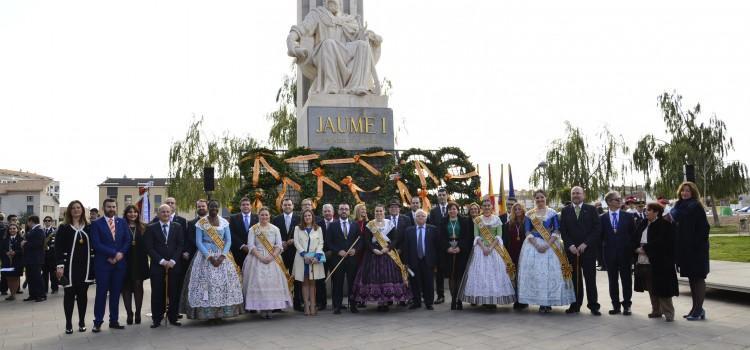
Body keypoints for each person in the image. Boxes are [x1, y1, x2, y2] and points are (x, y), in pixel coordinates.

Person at [287, 0, 383, 96]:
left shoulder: (349, 19)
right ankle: (331, 86)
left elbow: (359, 36)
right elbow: (302, 29)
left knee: (363, 46)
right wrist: (291, 41)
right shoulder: (318, 14)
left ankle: (356, 87)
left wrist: (372, 37)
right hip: (323, 53)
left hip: (344, 51)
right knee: (329, 43)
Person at [182, 200, 244, 321]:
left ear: (218, 207)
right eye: (211, 206)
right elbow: (199, 242)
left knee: (223, 284)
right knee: (206, 284)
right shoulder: (201, 222)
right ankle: (208, 314)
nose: (214, 208)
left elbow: (228, 241)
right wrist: (209, 257)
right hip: (205, 256)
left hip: (222, 256)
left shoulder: (224, 222)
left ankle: (221, 313)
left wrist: (222, 256)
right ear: (208, 207)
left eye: (216, 206)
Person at [517, 190, 576, 313]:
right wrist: (537, 245)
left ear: (546, 198)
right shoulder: (529, 214)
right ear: (534, 199)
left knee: (550, 274)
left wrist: (547, 245)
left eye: (541, 197)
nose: (539, 200)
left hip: (551, 246)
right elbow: (527, 231)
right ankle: (540, 301)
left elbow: (556, 230)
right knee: (536, 274)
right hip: (533, 246)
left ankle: (548, 302)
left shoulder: (552, 213)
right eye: (537, 198)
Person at [352, 204, 412, 311]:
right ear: (374, 212)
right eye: (377, 211)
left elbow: (394, 239)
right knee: (376, 278)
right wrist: (373, 249)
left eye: (380, 211)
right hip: (373, 254)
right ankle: (380, 302)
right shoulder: (370, 224)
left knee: (388, 277)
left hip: (388, 253)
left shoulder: (390, 223)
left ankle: (387, 301)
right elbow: (366, 240)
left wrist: (388, 248)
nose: (379, 213)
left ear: (384, 212)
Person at [458, 199, 516, 308]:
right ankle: (482, 299)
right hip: (481, 249)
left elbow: (499, 236)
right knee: (480, 274)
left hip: (494, 250)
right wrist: (484, 247)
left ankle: (492, 300)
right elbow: (477, 236)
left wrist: (490, 248)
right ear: (482, 207)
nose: (487, 207)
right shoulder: (478, 220)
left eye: (488, 205)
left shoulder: (497, 219)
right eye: (484, 206)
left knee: (494, 275)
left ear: (491, 207)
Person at [669, 181, 710, 321]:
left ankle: (698, 310)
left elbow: (704, 229)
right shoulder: (678, 206)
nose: (684, 193)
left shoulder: (695, 206)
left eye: (688, 191)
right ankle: (696, 308)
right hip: (685, 250)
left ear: (693, 193)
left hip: (697, 250)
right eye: (683, 190)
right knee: (692, 279)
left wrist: (695, 245)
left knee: (698, 278)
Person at [243, 207, 293, 318]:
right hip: (257, 258)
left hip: (273, 258)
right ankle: (261, 308)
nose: (264, 217)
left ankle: (270, 309)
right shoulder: (253, 229)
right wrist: (261, 257)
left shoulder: (275, 229)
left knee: (272, 283)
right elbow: (250, 245)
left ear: (270, 216)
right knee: (259, 283)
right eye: (262, 215)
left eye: (266, 215)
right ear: (258, 216)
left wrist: (272, 257)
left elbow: (279, 245)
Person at [90, 199, 132, 332]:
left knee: (115, 294)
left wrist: (120, 254)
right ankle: (98, 322)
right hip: (103, 264)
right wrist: (113, 254)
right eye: (109, 207)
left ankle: (114, 320)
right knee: (101, 294)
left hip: (119, 265)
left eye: (114, 206)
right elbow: (96, 244)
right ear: (103, 208)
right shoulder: (96, 224)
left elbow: (127, 240)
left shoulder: (122, 222)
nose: (112, 209)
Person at [559, 186, 602, 315]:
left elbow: (597, 229)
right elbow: (563, 230)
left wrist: (586, 243)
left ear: (583, 195)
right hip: (572, 252)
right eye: (573, 193)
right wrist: (570, 245)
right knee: (574, 280)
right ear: (571, 196)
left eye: (578, 193)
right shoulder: (565, 210)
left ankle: (593, 305)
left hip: (588, 250)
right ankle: (575, 305)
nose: (576, 195)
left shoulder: (591, 209)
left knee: (590, 279)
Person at [55, 200, 95, 334]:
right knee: (69, 295)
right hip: (69, 267)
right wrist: (59, 266)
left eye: (78, 207)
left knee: (83, 295)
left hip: (86, 267)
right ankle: (68, 323)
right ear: (69, 211)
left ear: (82, 210)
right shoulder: (64, 227)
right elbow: (58, 248)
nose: (76, 210)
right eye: (73, 208)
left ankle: (82, 321)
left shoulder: (89, 227)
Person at [638, 202, 679, 322]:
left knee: (663, 288)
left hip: (662, 261)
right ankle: (656, 310)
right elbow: (636, 236)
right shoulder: (644, 223)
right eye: (646, 210)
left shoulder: (664, 225)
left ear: (656, 212)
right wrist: (635, 247)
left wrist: (645, 248)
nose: (646, 212)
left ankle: (669, 313)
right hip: (645, 260)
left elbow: (662, 242)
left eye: (649, 210)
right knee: (651, 287)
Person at [144, 204, 184, 328]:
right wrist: (162, 261)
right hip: (157, 266)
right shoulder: (151, 228)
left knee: (173, 292)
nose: (166, 214)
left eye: (168, 212)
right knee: (157, 292)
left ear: (171, 212)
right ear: (158, 213)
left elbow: (180, 245)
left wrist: (173, 261)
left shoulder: (177, 227)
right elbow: (149, 248)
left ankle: (173, 317)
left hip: (174, 265)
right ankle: (157, 318)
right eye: (163, 212)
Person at [600, 191, 636, 315]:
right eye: (617, 199)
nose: (620, 201)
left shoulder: (628, 217)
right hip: (609, 254)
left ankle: (627, 305)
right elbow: (600, 237)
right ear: (609, 202)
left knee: (626, 280)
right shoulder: (602, 218)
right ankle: (615, 305)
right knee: (612, 280)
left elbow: (633, 235)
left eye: (620, 199)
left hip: (625, 254)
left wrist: (630, 249)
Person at [327, 203, 363, 314]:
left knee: (352, 282)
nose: (344, 211)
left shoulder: (355, 224)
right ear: (338, 211)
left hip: (352, 259)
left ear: (349, 211)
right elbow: (328, 242)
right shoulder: (332, 225)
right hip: (338, 259)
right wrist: (338, 251)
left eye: (346, 209)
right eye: (342, 209)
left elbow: (360, 240)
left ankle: (353, 305)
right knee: (338, 283)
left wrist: (355, 250)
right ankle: (337, 306)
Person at [292, 209, 325, 316]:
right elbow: (296, 243)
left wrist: (318, 255)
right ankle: (306, 305)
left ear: (312, 217)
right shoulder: (298, 228)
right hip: (302, 259)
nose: (307, 217)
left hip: (314, 259)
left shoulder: (318, 228)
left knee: (313, 283)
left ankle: (313, 305)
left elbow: (321, 243)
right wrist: (304, 255)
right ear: (303, 218)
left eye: (309, 216)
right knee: (305, 283)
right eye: (305, 216)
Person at [404, 209, 438, 310]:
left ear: (426, 218)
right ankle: (416, 302)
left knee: (428, 282)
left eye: (422, 216)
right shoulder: (409, 230)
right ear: (415, 218)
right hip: (413, 261)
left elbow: (436, 247)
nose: (420, 218)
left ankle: (429, 303)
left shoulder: (433, 229)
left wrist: (436, 262)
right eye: (418, 216)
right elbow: (406, 247)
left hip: (428, 260)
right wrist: (406, 262)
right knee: (415, 282)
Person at [440, 202, 472, 310]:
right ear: (447, 211)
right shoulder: (443, 221)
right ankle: (453, 299)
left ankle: (459, 300)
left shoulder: (464, 221)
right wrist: (447, 248)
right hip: (448, 252)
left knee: (459, 276)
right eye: (450, 209)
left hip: (460, 251)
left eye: (454, 209)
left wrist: (460, 247)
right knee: (451, 276)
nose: (452, 211)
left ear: (457, 210)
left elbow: (467, 236)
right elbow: (440, 237)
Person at [120, 205, 149, 326]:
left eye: (135, 212)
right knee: (126, 287)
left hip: (139, 260)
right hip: (125, 260)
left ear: (138, 214)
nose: (132, 214)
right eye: (130, 212)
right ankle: (129, 313)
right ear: (126, 214)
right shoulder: (121, 226)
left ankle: (137, 312)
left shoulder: (143, 227)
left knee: (138, 285)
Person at [272, 198, 301, 311]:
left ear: (293, 206)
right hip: (281, 253)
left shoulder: (299, 219)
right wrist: (280, 243)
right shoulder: (276, 219)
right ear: (282, 206)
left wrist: (294, 240)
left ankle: (298, 303)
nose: (287, 206)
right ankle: (278, 305)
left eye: (289, 205)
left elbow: (303, 233)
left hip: (295, 252)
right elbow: (273, 235)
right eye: (285, 205)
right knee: (279, 278)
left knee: (297, 278)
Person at [505, 203, 528, 310]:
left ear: (523, 210)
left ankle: (524, 300)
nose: (518, 211)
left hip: (524, 252)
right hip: (512, 252)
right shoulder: (509, 224)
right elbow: (506, 240)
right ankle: (517, 299)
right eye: (516, 209)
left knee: (523, 276)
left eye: (520, 209)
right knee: (514, 277)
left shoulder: (527, 222)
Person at [429, 188, 449, 305]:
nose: (441, 197)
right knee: (440, 273)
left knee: (453, 272)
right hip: (438, 247)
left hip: (452, 245)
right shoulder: (433, 211)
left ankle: (456, 295)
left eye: (443, 195)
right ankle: (440, 296)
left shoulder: (452, 208)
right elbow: (431, 229)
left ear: (447, 196)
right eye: (440, 195)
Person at [316, 203, 336, 310]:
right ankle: (321, 303)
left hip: (335, 255)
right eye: (325, 211)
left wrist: (332, 251)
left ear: (333, 212)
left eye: (329, 211)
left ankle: (336, 303)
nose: (327, 213)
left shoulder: (337, 223)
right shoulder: (317, 224)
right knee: (320, 280)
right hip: (321, 255)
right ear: (322, 213)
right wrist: (323, 253)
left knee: (336, 280)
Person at [229, 197, 259, 267]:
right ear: (240, 207)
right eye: (243, 205)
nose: (245, 206)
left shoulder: (257, 218)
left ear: (251, 206)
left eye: (247, 204)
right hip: (239, 251)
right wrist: (242, 246)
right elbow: (232, 234)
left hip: (254, 251)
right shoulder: (233, 218)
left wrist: (252, 246)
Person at [22, 216, 46, 302]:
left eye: (28, 222)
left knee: (37, 277)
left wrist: (25, 244)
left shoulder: (39, 230)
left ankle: (41, 295)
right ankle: (33, 294)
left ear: (31, 221)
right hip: (30, 258)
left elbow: (37, 244)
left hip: (36, 258)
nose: (27, 224)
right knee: (30, 277)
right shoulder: (33, 230)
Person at [1, 223, 24, 301]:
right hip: (6, 262)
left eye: (14, 228)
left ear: (17, 230)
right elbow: (1, 249)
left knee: (15, 277)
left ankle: (13, 294)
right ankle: (11, 293)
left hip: (17, 262)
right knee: (8, 277)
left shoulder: (21, 239)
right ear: (8, 230)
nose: (12, 230)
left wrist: (15, 252)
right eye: (10, 229)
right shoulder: (4, 239)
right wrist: (6, 253)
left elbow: (23, 250)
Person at [42, 216, 59, 295]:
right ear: (44, 222)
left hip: (52, 255)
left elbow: (58, 242)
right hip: (44, 255)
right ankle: (44, 289)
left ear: (51, 222)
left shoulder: (55, 231)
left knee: (53, 273)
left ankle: (54, 288)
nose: (47, 222)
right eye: (46, 220)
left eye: (49, 220)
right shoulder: (41, 231)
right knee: (44, 273)